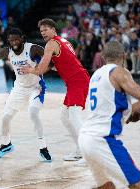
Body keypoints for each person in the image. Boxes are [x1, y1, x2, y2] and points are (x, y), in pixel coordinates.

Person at [21, 18, 90, 161]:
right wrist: (42, 68)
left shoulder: (51, 44)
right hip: (75, 81)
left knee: (75, 117)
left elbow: (40, 68)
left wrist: (29, 69)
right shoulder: (63, 41)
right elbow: (51, 66)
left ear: (53, 29)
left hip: (78, 81)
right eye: (41, 31)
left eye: (46, 29)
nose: (43, 33)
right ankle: (79, 150)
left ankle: (89, 153)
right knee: (65, 117)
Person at [78, 41, 140, 189]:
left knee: (106, 186)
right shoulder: (119, 72)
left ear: (102, 56)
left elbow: (126, 112)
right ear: (124, 56)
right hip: (103, 140)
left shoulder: (97, 75)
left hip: (85, 139)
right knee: (139, 184)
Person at [0, 28, 51, 161]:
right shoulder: (8, 51)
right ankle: (6, 144)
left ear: (22, 38)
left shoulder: (33, 49)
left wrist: (34, 69)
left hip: (36, 87)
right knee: (5, 117)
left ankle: (43, 147)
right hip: (19, 88)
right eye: (11, 40)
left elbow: (50, 62)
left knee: (33, 112)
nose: (14, 42)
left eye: (16, 39)